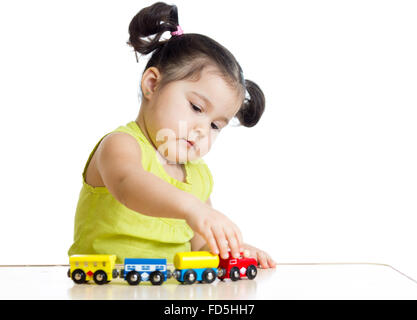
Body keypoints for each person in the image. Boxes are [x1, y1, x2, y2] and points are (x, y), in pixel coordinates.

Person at [68, 2, 276, 269]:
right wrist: (192, 208)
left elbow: (200, 244)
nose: (203, 129)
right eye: (197, 108)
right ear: (152, 84)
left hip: (169, 291)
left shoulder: (198, 177)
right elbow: (128, 185)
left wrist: (229, 249)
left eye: (215, 126)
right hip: (106, 286)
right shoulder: (121, 146)